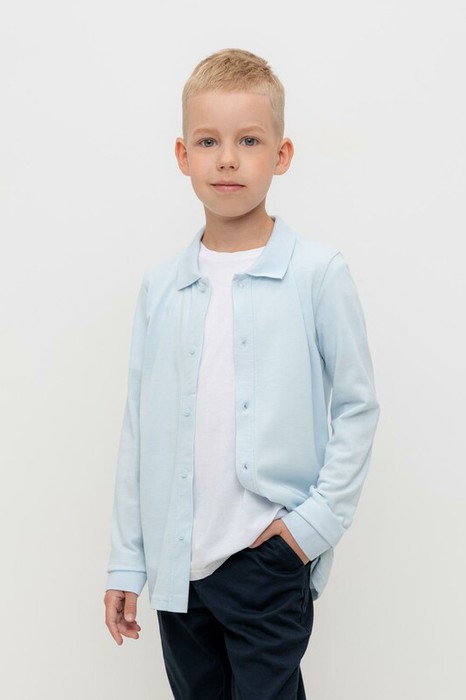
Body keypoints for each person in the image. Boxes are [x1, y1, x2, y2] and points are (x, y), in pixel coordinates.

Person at [103, 48, 380, 699]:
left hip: (268, 561)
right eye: (208, 141)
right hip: (177, 571)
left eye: (249, 140)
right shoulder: (162, 288)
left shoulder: (317, 273)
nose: (227, 158)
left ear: (282, 155)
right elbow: (140, 431)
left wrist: (308, 532)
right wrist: (128, 561)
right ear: (183, 155)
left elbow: (358, 409)